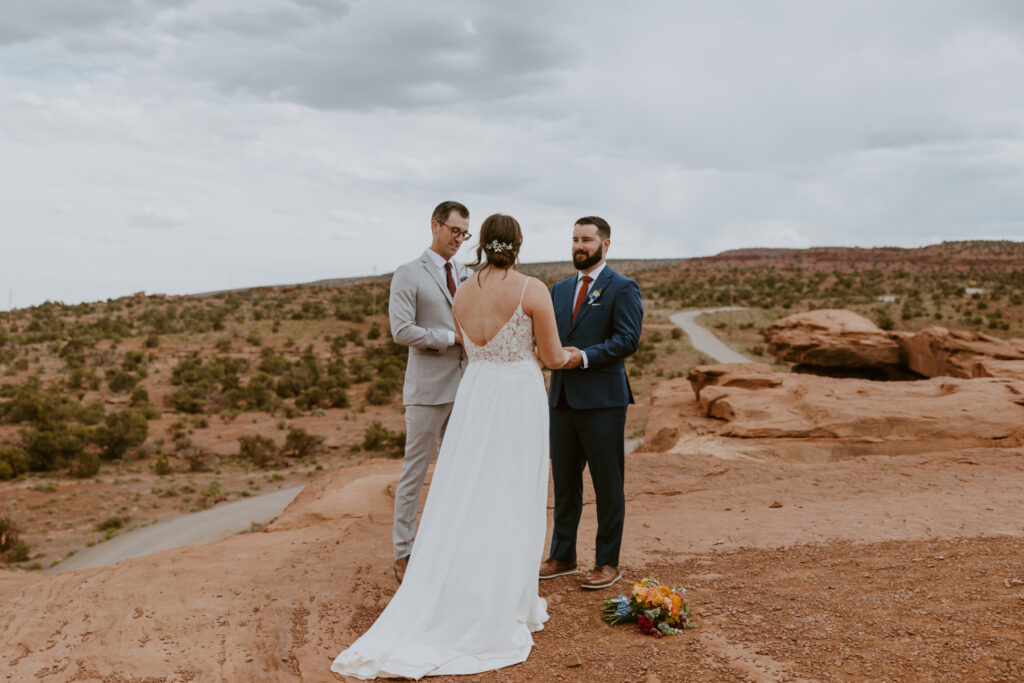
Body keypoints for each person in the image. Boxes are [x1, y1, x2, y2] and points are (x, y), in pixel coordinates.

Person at [331, 214, 571, 679]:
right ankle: (504, 599)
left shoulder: (461, 290)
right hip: (518, 397)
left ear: (480, 244)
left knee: (469, 489)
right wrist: (579, 356)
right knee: (513, 491)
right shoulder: (532, 289)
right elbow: (552, 356)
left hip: (475, 395)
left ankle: (462, 585)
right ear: (518, 246)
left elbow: (463, 341)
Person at [540, 216, 643, 590]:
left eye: (586, 239)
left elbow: (627, 340)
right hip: (562, 398)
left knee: (607, 484)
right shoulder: (559, 289)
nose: (578, 246)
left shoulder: (623, 288)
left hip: (603, 401)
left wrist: (580, 357)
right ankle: (563, 555)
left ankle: (606, 562)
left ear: (606, 244)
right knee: (566, 484)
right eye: (574, 239)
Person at [387, 200, 471, 584]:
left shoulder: (466, 273)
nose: (459, 239)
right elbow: (401, 331)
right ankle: (404, 552)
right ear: (435, 225)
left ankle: (450, 545)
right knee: (414, 472)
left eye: (464, 234)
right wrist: (450, 338)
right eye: (454, 231)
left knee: (458, 470)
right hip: (425, 390)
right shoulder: (408, 274)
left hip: (466, 387)